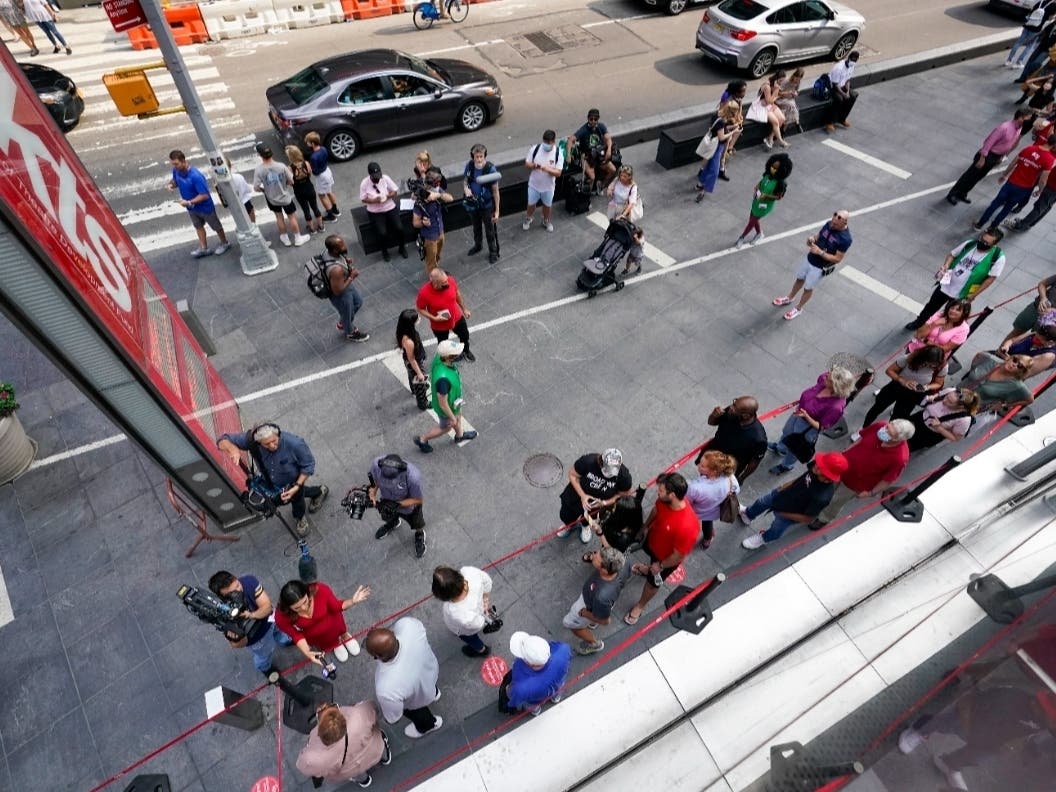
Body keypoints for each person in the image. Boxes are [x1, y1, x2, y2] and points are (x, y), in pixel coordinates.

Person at [898, 685, 1056, 792]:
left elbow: (1026, 734)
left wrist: (1006, 745)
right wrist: (970, 731)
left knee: (980, 756)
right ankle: (917, 731)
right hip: (970, 717)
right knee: (944, 722)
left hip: (991, 735)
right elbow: (966, 701)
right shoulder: (1009, 697)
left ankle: (949, 764)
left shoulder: (1045, 722)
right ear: (1040, 707)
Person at [217, 423, 328, 537]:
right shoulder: (251, 441)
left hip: (293, 482)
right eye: (266, 444)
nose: (272, 446)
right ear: (259, 441)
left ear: (278, 434)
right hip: (270, 482)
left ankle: (299, 517)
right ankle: (319, 491)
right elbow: (222, 440)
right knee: (285, 498)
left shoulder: (295, 444)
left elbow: (308, 465)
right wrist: (232, 448)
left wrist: (297, 486)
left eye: (274, 441)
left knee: (297, 498)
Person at [623, 472, 699, 625]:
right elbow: (656, 511)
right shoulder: (664, 501)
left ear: (672, 495)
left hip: (665, 559)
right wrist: (645, 527)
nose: (658, 492)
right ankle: (647, 568)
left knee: (653, 583)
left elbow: (678, 556)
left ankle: (640, 606)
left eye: (661, 490)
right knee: (651, 564)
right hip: (653, 541)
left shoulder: (688, 527)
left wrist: (661, 566)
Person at [810, 420, 914, 528]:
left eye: (889, 433)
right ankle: (814, 507)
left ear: (899, 440)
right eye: (887, 426)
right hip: (841, 467)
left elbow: (887, 480)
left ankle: (824, 518)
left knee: (837, 501)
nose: (884, 430)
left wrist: (871, 493)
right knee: (824, 488)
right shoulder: (880, 426)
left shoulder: (900, 458)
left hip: (855, 484)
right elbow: (860, 439)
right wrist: (844, 454)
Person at [740, 452, 848, 549]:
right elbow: (801, 478)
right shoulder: (815, 469)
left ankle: (763, 538)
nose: (816, 465)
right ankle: (748, 514)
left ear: (828, 476)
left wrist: (784, 514)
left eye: (821, 467)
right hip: (782, 495)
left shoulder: (822, 497)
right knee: (761, 502)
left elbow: (808, 518)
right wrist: (783, 486)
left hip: (790, 513)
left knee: (776, 529)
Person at [904, 230, 1004, 331]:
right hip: (946, 284)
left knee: (950, 315)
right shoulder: (970, 244)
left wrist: (973, 295)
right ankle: (919, 322)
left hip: (963, 293)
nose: (982, 243)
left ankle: (937, 332)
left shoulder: (998, 257)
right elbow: (952, 255)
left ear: (994, 244)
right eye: (982, 239)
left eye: (986, 243)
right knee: (931, 306)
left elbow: (991, 278)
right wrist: (946, 265)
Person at [364, 618, 443, 739]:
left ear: (377, 656)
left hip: (417, 700)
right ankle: (435, 694)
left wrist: (389, 719)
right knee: (428, 684)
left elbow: (394, 716)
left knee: (419, 714)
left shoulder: (386, 687)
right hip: (431, 671)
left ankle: (429, 725)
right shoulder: (408, 625)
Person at [768, 366, 855, 475]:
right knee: (787, 432)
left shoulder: (836, 407)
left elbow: (821, 427)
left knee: (795, 448)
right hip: (799, 413)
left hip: (807, 427)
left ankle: (787, 465)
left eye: (829, 378)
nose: (825, 376)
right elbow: (825, 376)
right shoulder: (824, 381)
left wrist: (806, 416)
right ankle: (781, 448)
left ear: (835, 386)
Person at [207, 571, 293, 676]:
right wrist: (238, 635)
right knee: (264, 655)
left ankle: (284, 640)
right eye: (232, 592)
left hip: (271, 620)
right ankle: (265, 668)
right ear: (223, 597)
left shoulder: (249, 581)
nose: (238, 590)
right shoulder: (223, 614)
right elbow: (237, 644)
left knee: (280, 631)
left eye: (238, 585)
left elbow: (267, 607)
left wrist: (251, 615)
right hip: (258, 640)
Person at [771, 210, 852, 320]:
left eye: (835, 224)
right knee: (799, 279)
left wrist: (820, 252)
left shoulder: (846, 239)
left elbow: (838, 259)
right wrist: (812, 239)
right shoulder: (829, 224)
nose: (832, 224)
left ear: (844, 222)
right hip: (810, 259)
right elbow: (818, 236)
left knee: (808, 288)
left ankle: (798, 309)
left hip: (819, 267)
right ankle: (789, 298)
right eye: (832, 221)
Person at [295, 701, 390, 789]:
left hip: (348, 771)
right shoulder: (358, 715)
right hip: (373, 751)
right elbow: (373, 708)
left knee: (356, 773)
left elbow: (301, 765)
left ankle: (365, 781)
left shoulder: (312, 757)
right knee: (380, 748)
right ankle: (385, 758)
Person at [275, 579, 371, 664]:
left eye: (305, 601)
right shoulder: (281, 616)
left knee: (342, 631)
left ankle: (344, 636)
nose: (303, 608)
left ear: (308, 593)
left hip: (334, 623)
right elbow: (294, 634)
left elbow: (336, 606)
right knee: (329, 643)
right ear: (288, 607)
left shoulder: (320, 590)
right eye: (297, 608)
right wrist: (307, 652)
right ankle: (335, 644)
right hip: (317, 637)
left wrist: (352, 601)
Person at [856, 346, 948, 435]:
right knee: (878, 407)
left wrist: (926, 387)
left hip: (914, 394)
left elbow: (938, 383)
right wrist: (903, 381)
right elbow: (890, 370)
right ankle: (864, 428)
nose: (931, 367)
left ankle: (886, 434)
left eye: (934, 366)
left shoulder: (942, 366)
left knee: (898, 417)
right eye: (929, 364)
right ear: (923, 358)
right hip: (896, 387)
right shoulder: (910, 358)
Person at [946, 109, 1032, 205]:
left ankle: (962, 193)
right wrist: (982, 158)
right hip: (987, 155)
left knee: (978, 177)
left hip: (996, 157)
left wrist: (1002, 156)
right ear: (1020, 117)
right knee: (969, 175)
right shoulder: (1004, 128)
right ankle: (952, 194)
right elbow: (989, 142)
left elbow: (1009, 144)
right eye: (1028, 118)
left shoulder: (1019, 128)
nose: (1029, 121)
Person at [973, 134, 1055, 230]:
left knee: (995, 204)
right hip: (1024, 188)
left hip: (1011, 183)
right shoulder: (1049, 159)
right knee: (1007, 208)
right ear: (1054, 145)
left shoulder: (1029, 148)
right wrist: (1040, 190)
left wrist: (1004, 175)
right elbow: (1043, 179)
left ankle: (980, 224)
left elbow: (1013, 162)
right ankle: (992, 227)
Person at [557, 449, 634, 544]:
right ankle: (568, 525)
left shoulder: (623, 475)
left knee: (589, 519)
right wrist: (583, 495)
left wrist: (605, 503)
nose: (609, 474)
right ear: (601, 462)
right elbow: (572, 475)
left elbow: (625, 494)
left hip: (597, 506)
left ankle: (585, 526)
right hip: (575, 497)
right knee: (566, 515)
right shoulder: (588, 462)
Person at [562, 546, 629, 655]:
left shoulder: (601, 597)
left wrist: (584, 613)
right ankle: (593, 622)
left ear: (605, 570)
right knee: (599, 613)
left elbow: (605, 621)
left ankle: (594, 644)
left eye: (596, 558)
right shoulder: (624, 564)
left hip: (588, 607)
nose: (592, 556)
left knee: (571, 624)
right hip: (604, 604)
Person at [413, 339, 477, 453]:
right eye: (456, 354)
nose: (459, 354)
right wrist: (452, 418)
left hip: (454, 402)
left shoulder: (440, 357)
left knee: (458, 416)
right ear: (448, 357)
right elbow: (443, 403)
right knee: (445, 427)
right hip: (446, 409)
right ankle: (423, 440)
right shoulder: (443, 379)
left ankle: (459, 435)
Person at [167, 150, 231, 259]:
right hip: (191, 208)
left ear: (183, 161)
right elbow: (175, 180)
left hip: (204, 207)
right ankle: (204, 248)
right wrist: (171, 184)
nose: (174, 166)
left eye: (176, 164)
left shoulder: (196, 176)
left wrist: (189, 202)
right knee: (198, 226)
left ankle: (225, 243)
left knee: (216, 226)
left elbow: (204, 195)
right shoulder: (176, 171)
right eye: (173, 164)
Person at [431, 565, 502, 658]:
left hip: (464, 630)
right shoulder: (468, 572)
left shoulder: (457, 612)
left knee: (471, 639)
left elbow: (478, 624)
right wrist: (485, 600)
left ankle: (482, 650)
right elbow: (488, 581)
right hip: (479, 610)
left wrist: (481, 617)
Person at [696, 396, 768, 483]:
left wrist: (741, 479)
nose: (731, 407)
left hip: (726, 468)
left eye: (735, 408)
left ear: (745, 416)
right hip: (711, 454)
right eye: (734, 403)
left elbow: (754, 462)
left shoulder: (759, 439)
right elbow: (711, 422)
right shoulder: (730, 412)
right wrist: (713, 415)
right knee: (703, 474)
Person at [369, 453, 427, 558]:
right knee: (387, 516)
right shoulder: (375, 465)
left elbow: (418, 500)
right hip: (386, 500)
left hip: (409, 507)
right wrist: (372, 493)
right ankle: (394, 523)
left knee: (417, 522)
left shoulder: (413, 477)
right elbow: (375, 481)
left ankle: (419, 535)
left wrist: (397, 504)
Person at [501, 632, 572, 716]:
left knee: (531, 704)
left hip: (535, 698)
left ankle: (535, 710)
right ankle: (555, 697)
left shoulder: (521, 687)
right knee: (558, 689)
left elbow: (515, 699)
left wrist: (510, 702)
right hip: (558, 683)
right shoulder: (562, 649)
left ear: (531, 663)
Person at [252, 143, 310, 247]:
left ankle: (285, 238)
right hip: (285, 197)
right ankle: (297, 238)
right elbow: (291, 181)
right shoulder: (281, 166)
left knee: (279, 217)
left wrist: (264, 190)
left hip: (271, 198)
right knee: (292, 217)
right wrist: (284, 183)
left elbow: (256, 188)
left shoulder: (259, 170)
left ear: (260, 155)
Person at [733, 153, 792, 248]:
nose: (773, 169)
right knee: (752, 218)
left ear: (781, 170)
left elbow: (779, 197)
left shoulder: (781, 184)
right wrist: (757, 186)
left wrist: (766, 196)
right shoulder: (768, 174)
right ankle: (759, 234)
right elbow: (762, 181)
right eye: (772, 166)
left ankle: (742, 237)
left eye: (775, 168)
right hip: (757, 200)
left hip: (765, 206)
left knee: (752, 221)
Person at [685, 450, 739, 550]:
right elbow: (736, 489)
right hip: (714, 510)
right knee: (707, 524)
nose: (698, 466)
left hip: (698, 511)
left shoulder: (695, 488)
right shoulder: (730, 477)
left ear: (714, 471)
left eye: (702, 466)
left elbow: (686, 502)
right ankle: (707, 539)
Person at [415, 268, 473, 359]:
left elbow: (457, 294)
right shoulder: (424, 293)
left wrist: (464, 309)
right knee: (443, 344)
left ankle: (466, 350)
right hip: (439, 325)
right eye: (444, 283)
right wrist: (434, 318)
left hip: (456, 317)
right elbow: (420, 309)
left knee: (465, 334)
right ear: (435, 283)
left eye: (446, 280)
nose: (447, 283)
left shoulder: (450, 280)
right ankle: (446, 359)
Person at [320, 235, 368, 343]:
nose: (345, 246)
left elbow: (339, 259)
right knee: (347, 311)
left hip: (344, 283)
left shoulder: (329, 253)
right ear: (335, 250)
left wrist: (346, 262)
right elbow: (338, 291)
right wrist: (352, 277)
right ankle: (350, 332)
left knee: (358, 302)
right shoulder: (336, 270)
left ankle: (343, 322)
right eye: (342, 245)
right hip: (341, 294)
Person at [960, 351, 1035, 416]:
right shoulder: (990, 360)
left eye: (1020, 366)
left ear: (1022, 372)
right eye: (1015, 360)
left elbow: (1030, 400)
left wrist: (1004, 405)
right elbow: (978, 355)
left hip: (970, 408)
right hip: (956, 393)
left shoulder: (1016, 385)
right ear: (1011, 357)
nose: (1014, 364)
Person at [907, 388, 981, 453]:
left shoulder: (964, 420)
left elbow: (956, 438)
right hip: (919, 417)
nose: (944, 401)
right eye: (946, 397)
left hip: (928, 434)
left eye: (950, 402)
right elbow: (939, 394)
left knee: (906, 446)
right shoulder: (951, 391)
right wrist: (934, 397)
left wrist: (939, 428)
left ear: (961, 407)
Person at [695, 101, 742, 203]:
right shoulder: (721, 121)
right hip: (716, 147)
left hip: (716, 146)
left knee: (709, 167)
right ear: (732, 112)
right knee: (714, 171)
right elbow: (721, 137)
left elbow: (722, 129)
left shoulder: (720, 117)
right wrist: (733, 132)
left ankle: (700, 183)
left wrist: (732, 127)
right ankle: (703, 190)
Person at [360, 161, 407, 262]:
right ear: (370, 176)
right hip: (375, 211)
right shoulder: (364, 183)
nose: (378, 178)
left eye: (379, 175)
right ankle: (384, 251)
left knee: (400, 228)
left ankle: (402, 248)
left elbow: (394, 191)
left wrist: (387, 196)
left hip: (389, 207)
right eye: (375, 177)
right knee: (382, 233)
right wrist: (373, 201)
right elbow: (363, 199)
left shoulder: (385, 178)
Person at [411, 167, 454, 274]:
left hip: (440, 231)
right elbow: (415, 223)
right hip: (430, 236)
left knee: (437, 255)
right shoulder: (420, 201)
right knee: (430, 260)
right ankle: (433, 278)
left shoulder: (437, 190)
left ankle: (436, 270)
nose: (438, 185)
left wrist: (438, 195)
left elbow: (450, 198)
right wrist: (423, 223)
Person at [463, 143, 501, 263]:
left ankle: (493, 252)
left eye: (481, 156)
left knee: (489, 230)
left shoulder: (490, 169)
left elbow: (495, 191)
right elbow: (465, 181)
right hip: (473, 203)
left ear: (485, 156)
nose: (479, 159)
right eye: (476, 156)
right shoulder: (469, 166)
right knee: (476, 227)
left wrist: (497, 211)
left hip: (486, 205)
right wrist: (466, 189)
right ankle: (478, 245)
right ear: (472, 156)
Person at [523, 130, 564, 232]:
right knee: (531, 204)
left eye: (549, 143)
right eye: (545, 142)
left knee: (547, 205)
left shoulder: (558, 154)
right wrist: (534, 165)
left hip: (548, 187)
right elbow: (527, 164)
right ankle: (528, 218)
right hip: (534, 185)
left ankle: (546, 221)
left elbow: (558, 173)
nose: (546, 145)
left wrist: (548, 170)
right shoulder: (535, 149)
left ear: (553, 142)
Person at [567, 108, 616, 193]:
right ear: (588, 118)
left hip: (599, 154)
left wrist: (608, 150)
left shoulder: (601, 127)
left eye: (595, 119)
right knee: (592, 177)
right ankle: (587, 196)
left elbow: (608, 138)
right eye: (591, 119)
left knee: (613, 170)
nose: (593, 121)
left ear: (598, 119)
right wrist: (568, 154)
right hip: (587, 156)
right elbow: (571, 140)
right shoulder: (584, 129)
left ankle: (601, 186)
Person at [905, 299, 972, 358]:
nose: (953, 311)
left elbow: (945, 349)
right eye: (952, 308)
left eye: (957, 310)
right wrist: (934, 324)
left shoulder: (964, 329)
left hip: (932, 358)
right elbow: (919, 334)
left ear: (964, 313)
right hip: (915, 350)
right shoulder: (939, 315)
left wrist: (926, 341)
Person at [1002, 274, 1056, 345]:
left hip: (1050, 325)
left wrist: (1052, 312)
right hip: (1035, 309)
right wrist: (1043, 298)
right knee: (1016, 332)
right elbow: (1042, 284)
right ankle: (999, 352)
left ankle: (1010, 355)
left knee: (1034, 342)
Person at [1007, 162, 1056, 231]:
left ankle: (1021, 225)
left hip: (1052, 188)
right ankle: (1030, 223)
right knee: (1046, 206)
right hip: (1053, 188)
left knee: (1040, 207)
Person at [286, 144, 323, 235]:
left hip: (299, 191)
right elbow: (309, 174)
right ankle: (321, 226)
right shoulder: (306, 163)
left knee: (305, 209)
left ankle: (312, 228)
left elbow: (291, 182)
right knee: (315, 207)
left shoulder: (290, 168)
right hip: (309, 187)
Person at [396, 308, 429, 411]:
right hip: (414, 362)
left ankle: (414, 389)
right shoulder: (409, 341)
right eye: (417, 318)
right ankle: (422, 403)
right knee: (419, 381)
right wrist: (419, 373)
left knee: (411, 377)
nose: (419, 318)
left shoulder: (404, 330)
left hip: (412, 359)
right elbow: (412, 359)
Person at [1006, 2, 1055, 69]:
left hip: (1028, 25)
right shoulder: (1053, 5)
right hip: (1037, 28)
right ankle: (1018, 62)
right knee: (1029, 46)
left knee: (1018, 42)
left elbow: (1032, 10)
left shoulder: (1041, 2)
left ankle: (1008, 60)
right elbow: (1050, 18)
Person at [716, 80, 748, 180]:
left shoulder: (736, 99)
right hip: (724, 129)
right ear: (736, 92)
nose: (744, 93)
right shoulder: (728, 102)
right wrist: (735, 124)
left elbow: (739, 109)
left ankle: (721, 169)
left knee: (722, 152)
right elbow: (723, 117)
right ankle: (716, 170)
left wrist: (739, 118)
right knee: (720, 152)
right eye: (743, 91)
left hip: (728, 128)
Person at [305, 131, 340, 221]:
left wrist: (310, 169)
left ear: (312, 143)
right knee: (329, 191)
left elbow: (315, 172)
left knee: (321, 195)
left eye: (308, 142)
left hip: (321, 176)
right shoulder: (323, 149)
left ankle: (331, 216)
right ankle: (335, 210)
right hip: (327, 171)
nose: (307, 144)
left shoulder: (313, 157)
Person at [823, 50, 860, 133]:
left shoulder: (852, 66)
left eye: (855, 60)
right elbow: (835, 85)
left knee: (853, 97)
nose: (854, 62)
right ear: (849, 58)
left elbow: (848, 80)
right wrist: (843, 94)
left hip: (842, 86)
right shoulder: (839, 68)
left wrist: (847, 92)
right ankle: (829, 122)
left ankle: (842, 119)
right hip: (832, 87)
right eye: (853, 60)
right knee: (839, 99)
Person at [753, 71, 788, 150]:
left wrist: (777, 91)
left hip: (769, 105)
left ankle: (770, 138)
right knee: (775, 121)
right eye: (781, 81)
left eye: (783, 81)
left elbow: (774, 98)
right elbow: (769, 100)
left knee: (782, 119)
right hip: (761, 105)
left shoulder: (777, 86)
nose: (782, 83)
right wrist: (776, 90)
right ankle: (780, 141)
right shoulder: (767, 86)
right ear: (776, 79)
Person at [226, 157, 256, 223]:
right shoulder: (238, 177)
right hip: (245, 202)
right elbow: (248, 189)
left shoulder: (220, 184)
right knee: (252, 221)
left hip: (234, 206)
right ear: (230, 166)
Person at [775, 68, 805, 133]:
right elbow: (778, 93)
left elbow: (797, 91)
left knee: (790, 109)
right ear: (794, 75)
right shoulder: (786, 81)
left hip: (790, 99)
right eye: (796, 78)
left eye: (799, 79)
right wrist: (789, 92)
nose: (797, 80)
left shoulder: (798, 82)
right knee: (792, 106)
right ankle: (797, 123)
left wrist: (795, 94)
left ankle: (783, 130)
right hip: (781, 99)